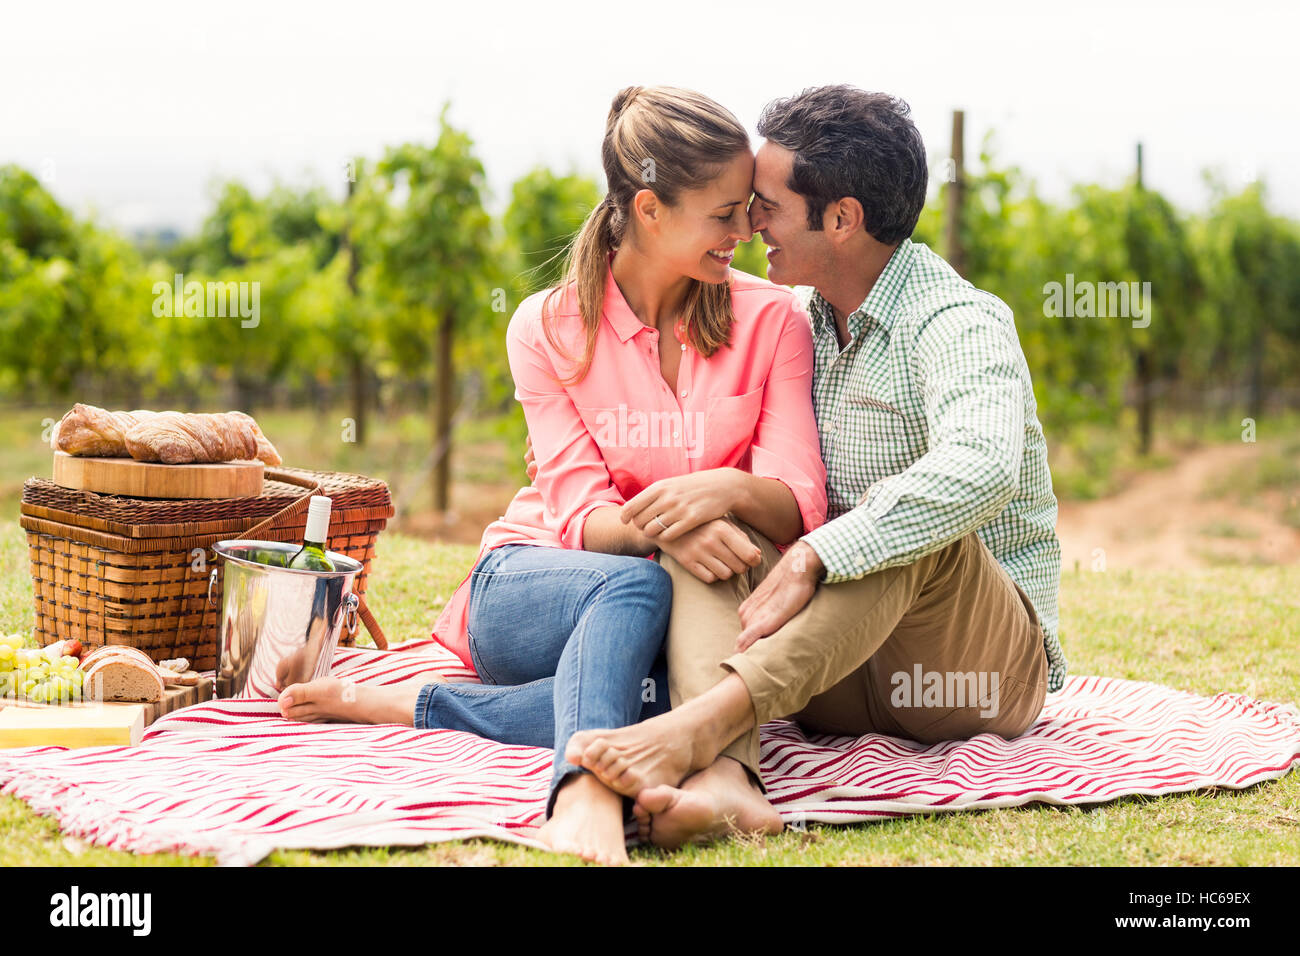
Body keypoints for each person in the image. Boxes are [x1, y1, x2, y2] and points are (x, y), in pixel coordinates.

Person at [276, 85, 827, 865]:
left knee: (686, 699)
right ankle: (584, 792)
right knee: (638, 588)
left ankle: (410, 705)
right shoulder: (545, 326)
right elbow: (583, 520)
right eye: (724, 213)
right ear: (648, 209)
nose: (746, 231)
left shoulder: (774, 322)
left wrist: (721, 494)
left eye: (747, 210)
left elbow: (795, 503)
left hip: (682, 613)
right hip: (534, 586)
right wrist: (675, 525)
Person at [562, 85, 1069, 849]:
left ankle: (700, 727)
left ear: (841, 218)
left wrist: (820, 551)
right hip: (832, 674)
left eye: (765, 203)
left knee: (905, 525)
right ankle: (729, 780)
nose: (748, 222)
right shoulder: (796, 322)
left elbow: (981, 466)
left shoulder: (957, 322)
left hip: (972, 676)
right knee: (712, 527)